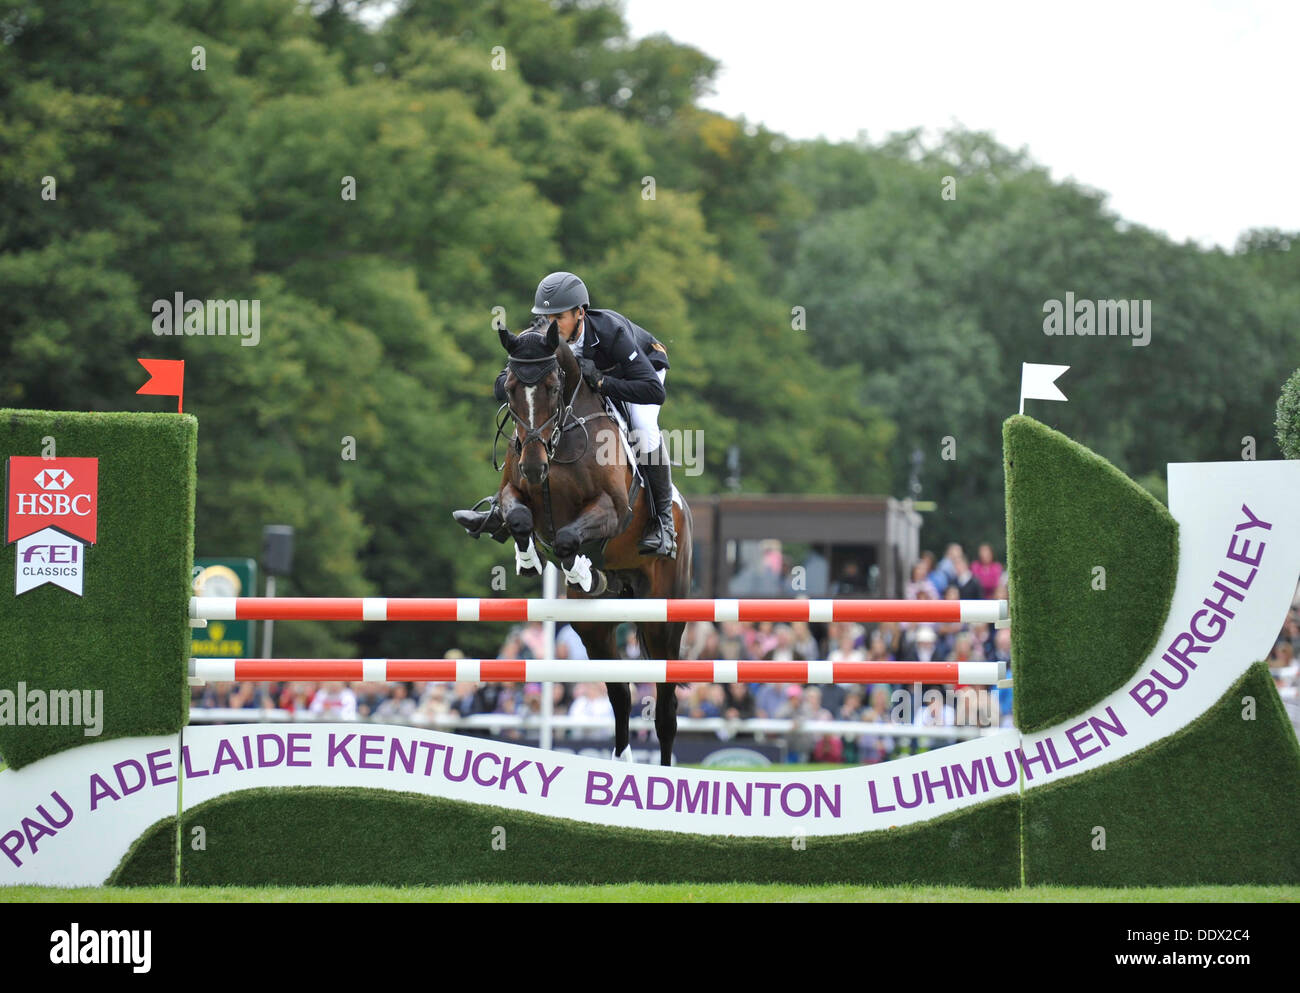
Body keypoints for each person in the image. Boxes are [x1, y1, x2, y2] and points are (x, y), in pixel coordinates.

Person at [452, 271, 678, 557]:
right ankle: (500, 506)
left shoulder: (611, 333)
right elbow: (501, 385)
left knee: (644, 430)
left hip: (636, 372)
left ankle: (664, 524)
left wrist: (602, 383)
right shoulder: (539, 335)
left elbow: (653, 391)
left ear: (580, 313)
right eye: (547, 318)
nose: (552, 325)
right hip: (594, 379)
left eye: (560, 318)